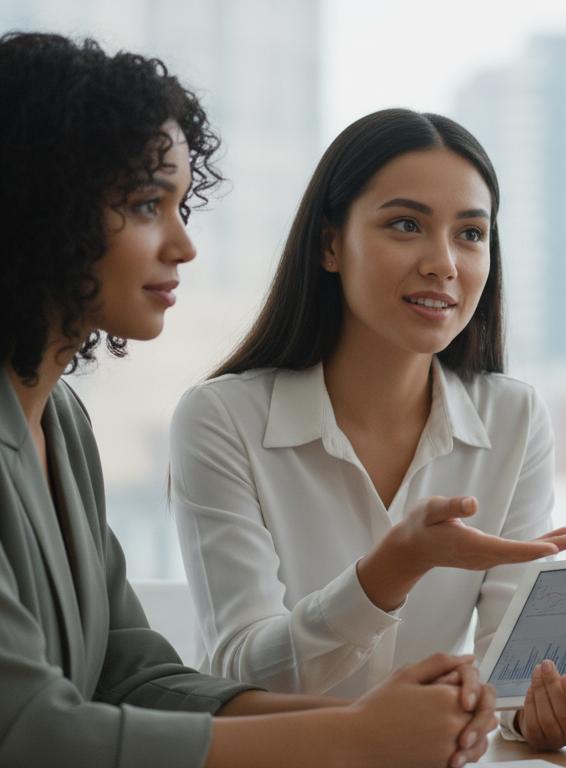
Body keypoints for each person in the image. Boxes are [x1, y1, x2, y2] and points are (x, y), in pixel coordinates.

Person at [0, 31, 493, 768]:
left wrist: (381, 719)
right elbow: (31, 733)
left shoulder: (59, 421)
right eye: (144, 205)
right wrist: (357, 737)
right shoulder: (209, 418)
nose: (183, 245)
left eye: (180, 205)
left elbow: (131, 673)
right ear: (41, 206)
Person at [169, 107, 566, 750]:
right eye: (406, 225)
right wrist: (391, 570)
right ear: (330, 244)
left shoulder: (513, 418)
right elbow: (239, 673)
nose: (443, 263)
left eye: (471, 234)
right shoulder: (221, 418)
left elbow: (508, 670)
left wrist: (535, 711)